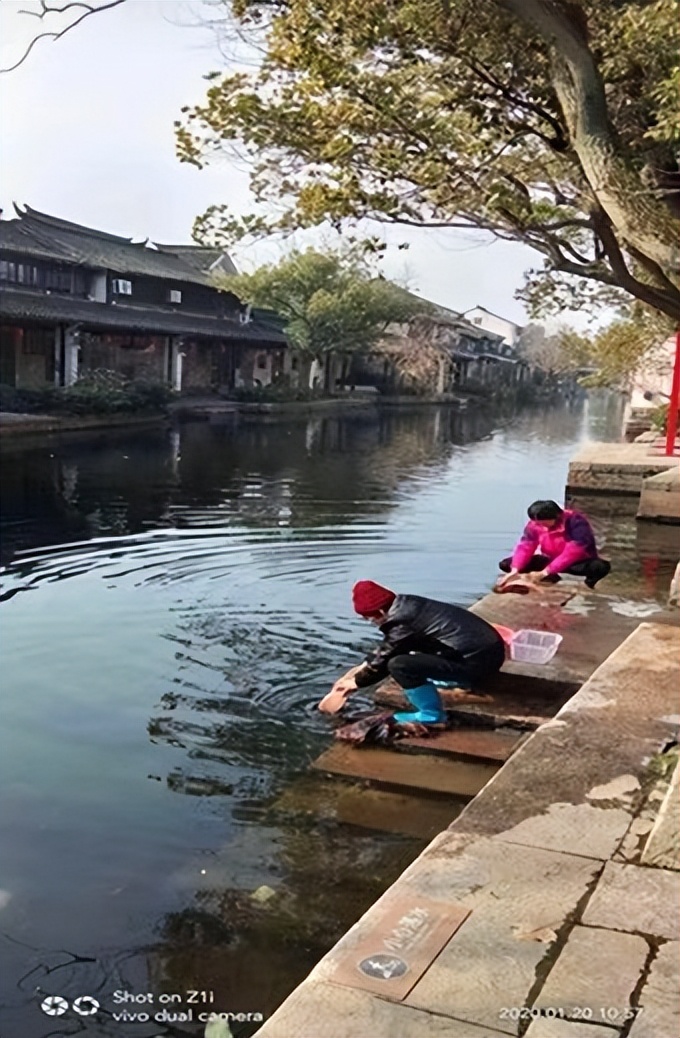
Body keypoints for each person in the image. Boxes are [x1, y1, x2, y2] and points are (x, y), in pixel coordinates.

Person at [317, 580, 505, 725]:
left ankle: (431, 715)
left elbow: (387, 658)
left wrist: (356, 683)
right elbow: (389, 646)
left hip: (478, 663)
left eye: (369, 618)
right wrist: (359, 669)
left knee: (399, 665)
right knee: (408, 654)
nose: (370, 622)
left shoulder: (401, 623)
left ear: (381, 610)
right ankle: (454, 679)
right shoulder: (408, 604)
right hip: (489, 653)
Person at [498, 500, 611, 590]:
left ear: (557, 516)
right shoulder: (534, 524)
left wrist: (546, 571)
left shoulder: (575, 522)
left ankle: (589, 584)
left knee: (600, 567)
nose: (541, 526)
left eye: (544, 522)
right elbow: (526, 545)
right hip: (550, 558)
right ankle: (551, 578)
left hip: (576, 562)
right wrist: (515, 569)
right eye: (538, 523)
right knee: (506, 564)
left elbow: (575, 550)